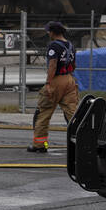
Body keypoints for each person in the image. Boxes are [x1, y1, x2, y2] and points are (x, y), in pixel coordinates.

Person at [27, 21, 79, 153]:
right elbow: (73, 65)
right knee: (72, 114)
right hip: (69, 80)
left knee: (43, 113)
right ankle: (80, 143)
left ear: (53, 32)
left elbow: (53, 65)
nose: (48, 33)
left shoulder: (53, 46)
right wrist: (69, 79)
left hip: (56, 81)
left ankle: (40, 145)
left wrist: (49, 83)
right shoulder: (70, 45)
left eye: (49, 31)